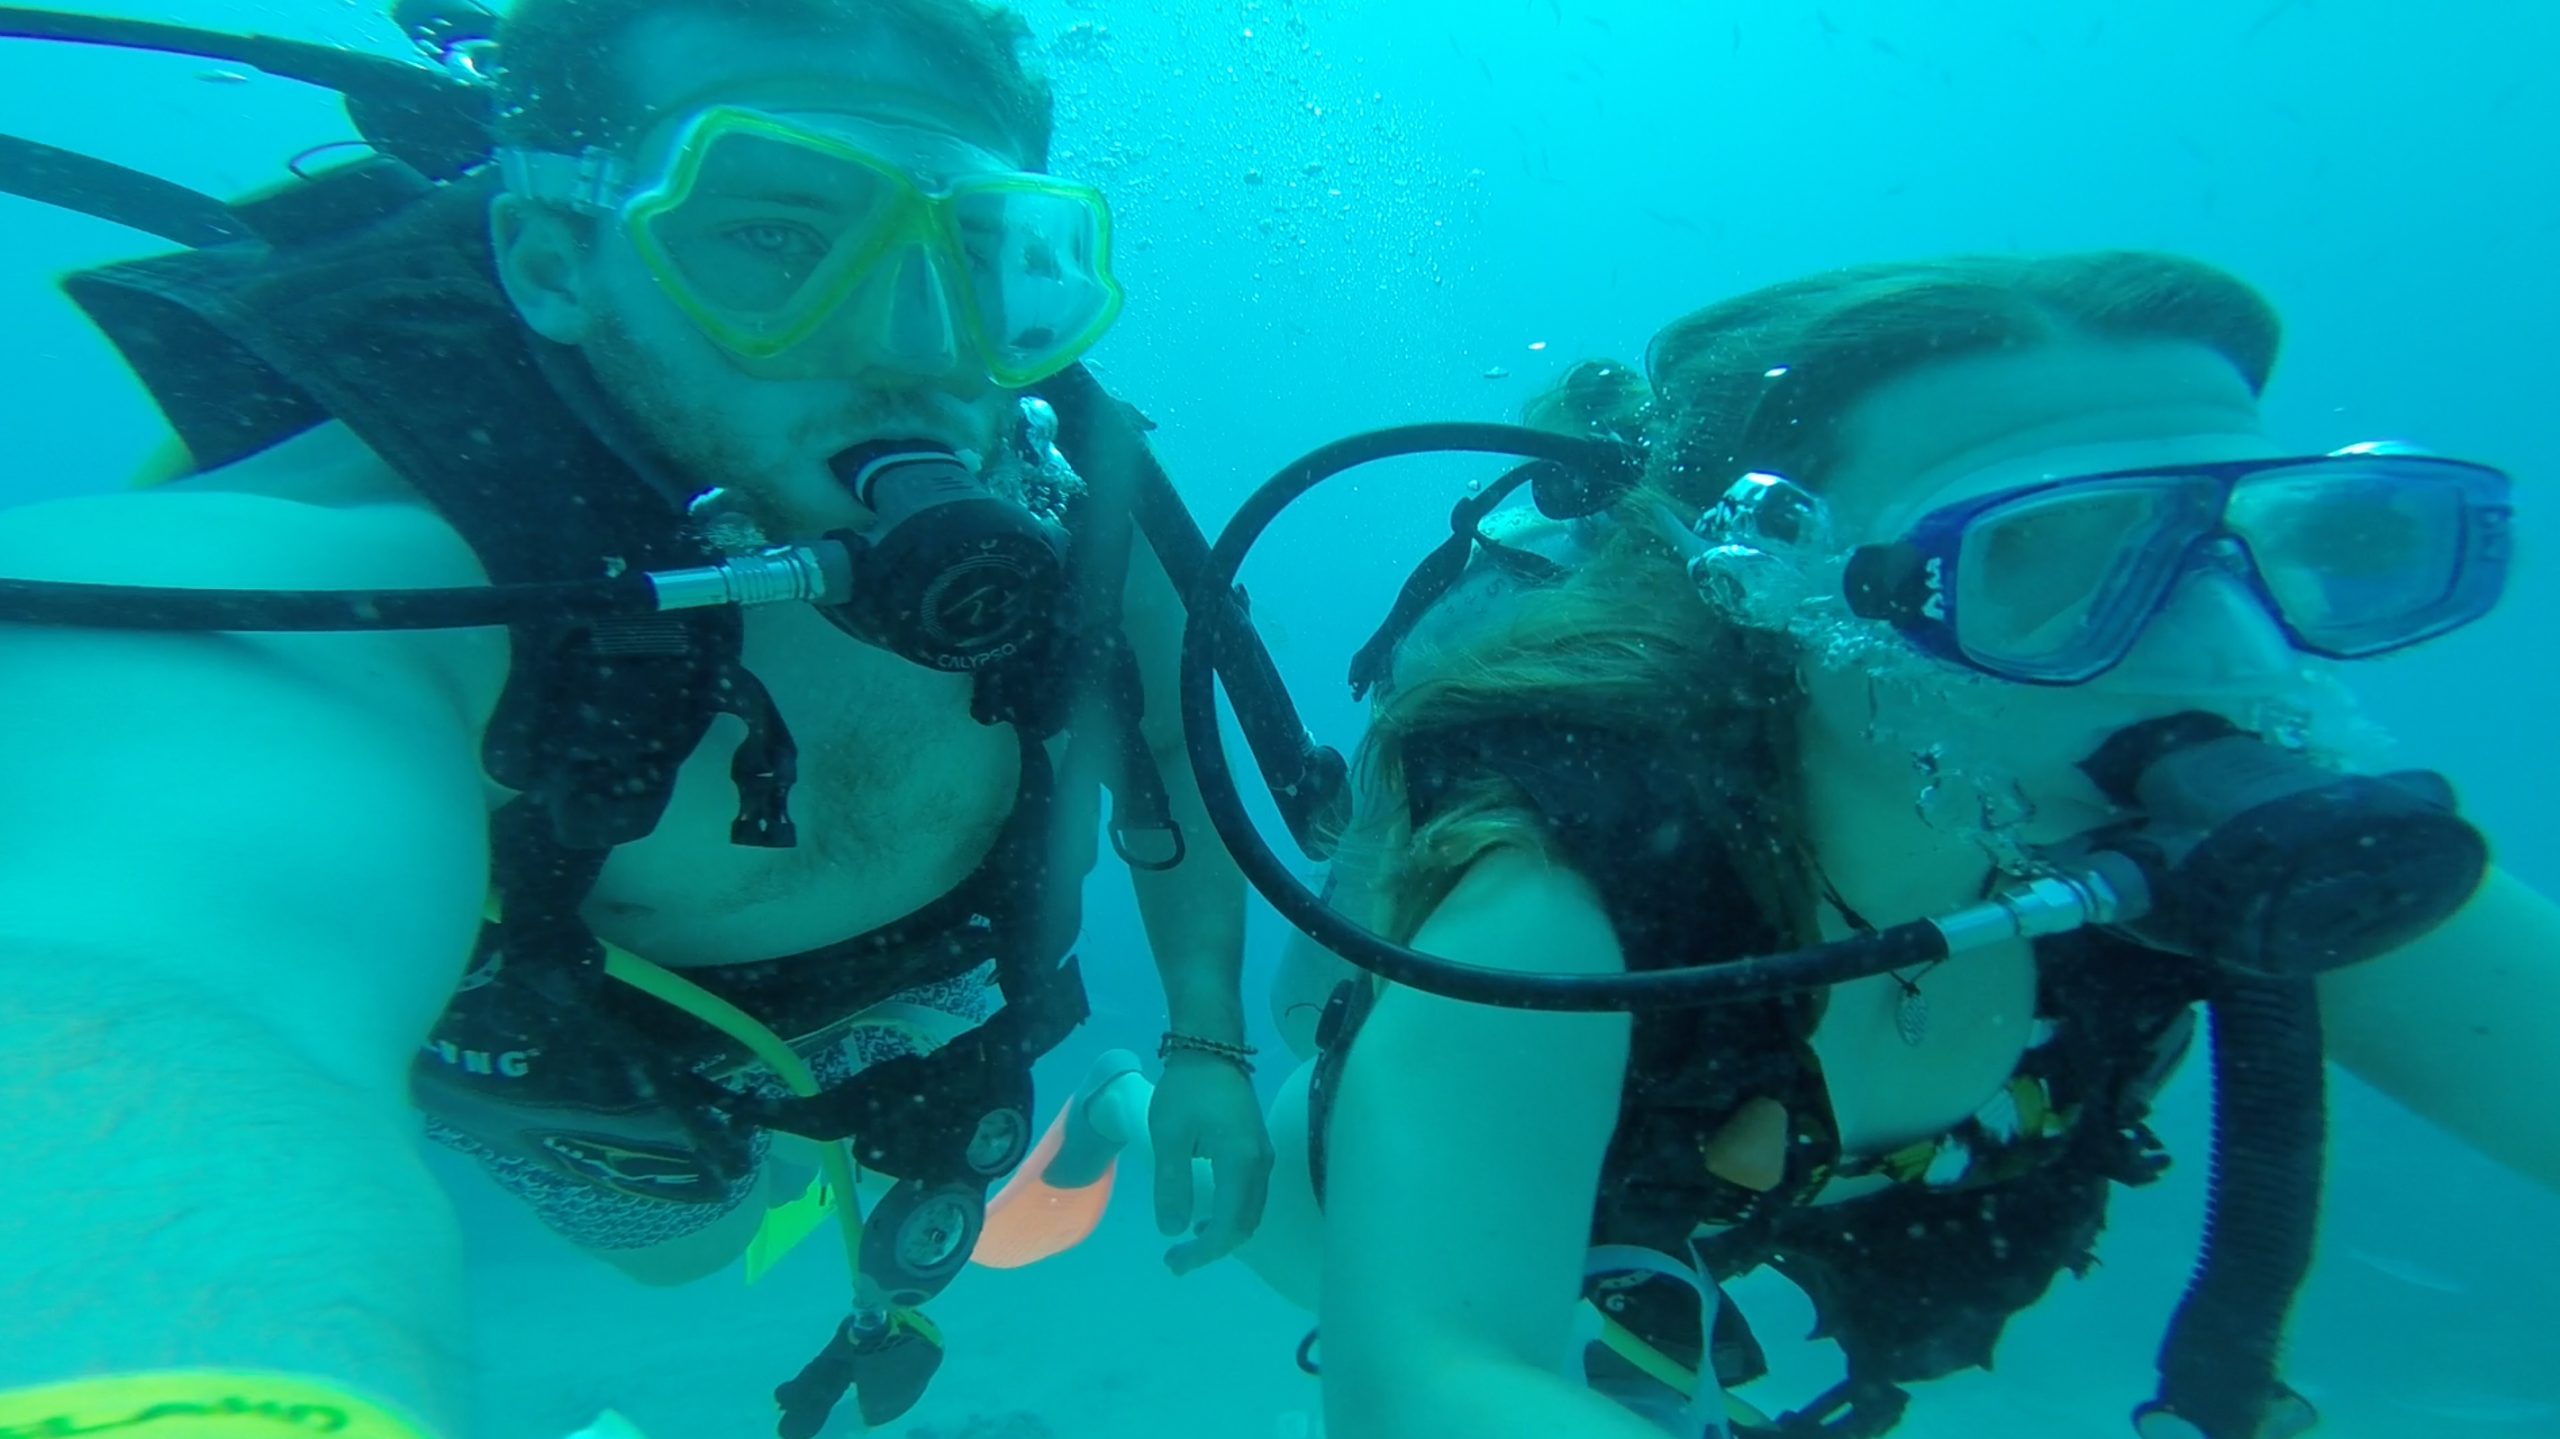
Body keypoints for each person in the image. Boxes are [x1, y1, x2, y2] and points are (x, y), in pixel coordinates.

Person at [0, 2, 1289, 1436]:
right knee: (680, 1260)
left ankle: (945, 1197)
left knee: (933, 1195)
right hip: (595, 1042)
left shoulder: (1081, 499)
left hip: (946, 979)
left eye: (979, 253)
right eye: (779, 237)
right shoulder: (363, 575)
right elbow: (139, 971)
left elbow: (1172, 752)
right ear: (556, 261)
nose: (917, 341)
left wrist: (1207, 1048)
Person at [1078, 250, 2559, 1439]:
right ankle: (1128, 1107)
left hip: (1843, 1175)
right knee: (1307, 1231)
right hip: (1514, 1134)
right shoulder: (1564, 896)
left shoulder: (2256, 836)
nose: (2217, 659)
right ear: (1786, 591)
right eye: (2040, 560)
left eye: (2271, 544)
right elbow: (1426, 1380)